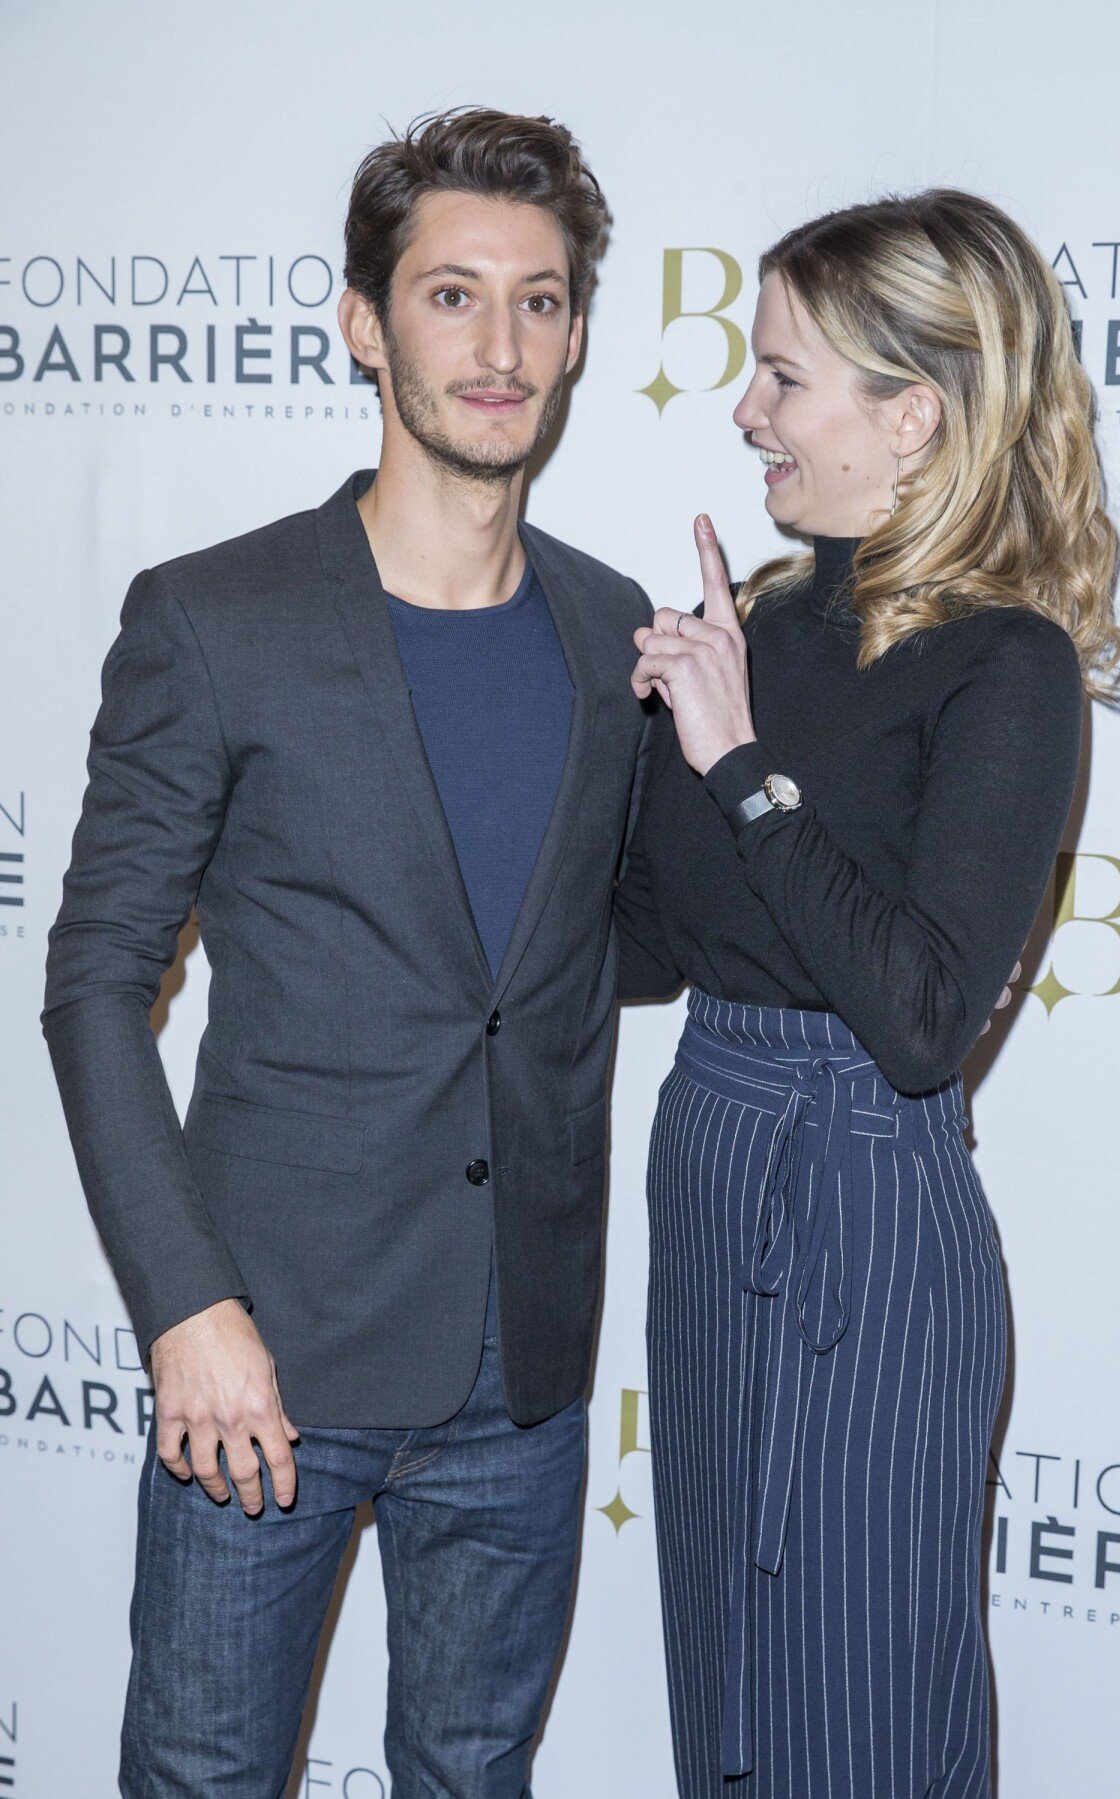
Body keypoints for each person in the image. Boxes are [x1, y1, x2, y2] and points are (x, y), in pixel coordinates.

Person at [42, 108, 655, 1798]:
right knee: (202, 1773)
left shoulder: (620, 638)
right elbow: (96, 982)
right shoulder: (213, 619)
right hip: (268, 1363)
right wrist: (185, 1308)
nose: (499, 344)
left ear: (580, 335)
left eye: (540, 301)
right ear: (364, 323)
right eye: (452, 296)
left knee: (475, 1773)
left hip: (523, 1371)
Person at [614, 189, 1120, 1797]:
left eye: (784, 377)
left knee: (860, 1709)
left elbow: (916, 1025)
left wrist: (739, 763)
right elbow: (648, 952)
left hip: (865, 1202)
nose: (746, 410)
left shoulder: (1008, 665)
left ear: (914, 415)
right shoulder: (757, 620)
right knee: (730, 1704)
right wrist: (636, 745)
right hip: (710, 1162)